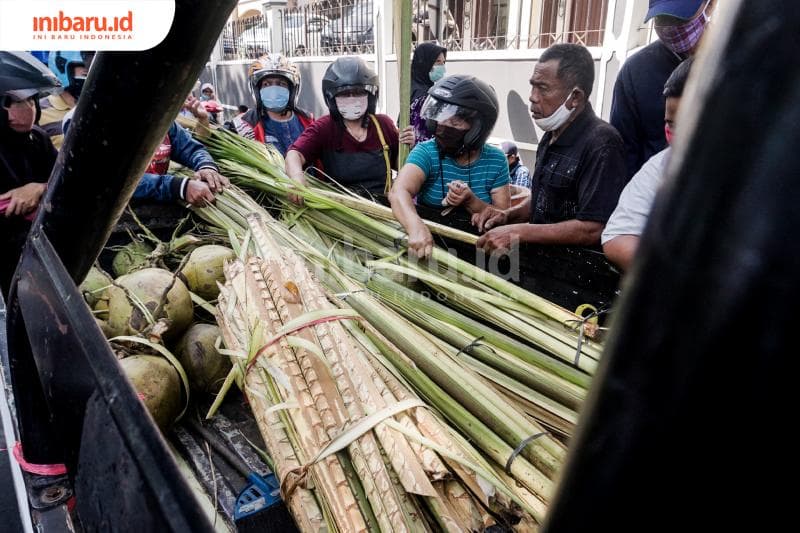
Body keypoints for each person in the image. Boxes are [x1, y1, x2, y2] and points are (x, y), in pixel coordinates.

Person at [474, 43, 626, 253]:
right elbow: (543, 201)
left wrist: (519, 232)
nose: (532, 96)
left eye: (543, 88)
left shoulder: (602, 144)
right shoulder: (550, 136)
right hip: (540, 266)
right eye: (533, 86)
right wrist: (508, 216)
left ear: (575, 97)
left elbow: (592, 228)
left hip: (575, 275)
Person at [390, 75, 510, 258]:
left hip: (479, 254)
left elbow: (502, 217)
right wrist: (415, 227)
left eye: (455, 122)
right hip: (431, 250)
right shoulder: (427, 152)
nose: (443, 127)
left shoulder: (496, 160)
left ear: (478, 128)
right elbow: (398, 191)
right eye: (441, 120)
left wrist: (471, 201)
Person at [602, 58, 693, 271]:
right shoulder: (661, 166)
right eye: (671, 123)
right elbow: (619, 236)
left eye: (692, 122)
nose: (679, 135)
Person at [611, 0, 713, 179]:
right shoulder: (635, 71)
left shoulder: (736, 61)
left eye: (679, 18)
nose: (669, 28)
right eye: (662, 18)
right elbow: (623, 154)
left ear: (710, 5)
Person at [286, 56, 413, 198]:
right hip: (341, 209)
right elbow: (294, 154)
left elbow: (400, 165)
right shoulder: (325, 127)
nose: (352, 98)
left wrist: (408, 146)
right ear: (332, 98)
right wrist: (296, 177)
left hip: (382, 208)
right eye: (345, 94)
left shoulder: (383, 125)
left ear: (370, 95)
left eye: (358, 93)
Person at [0, 52, 61, 296]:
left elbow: (65, 183)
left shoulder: (38, 140)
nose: (29, 109)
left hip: (33, 257)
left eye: (32, 100)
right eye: (18, 101)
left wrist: (39, 188)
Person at [233, 54, 314, 156]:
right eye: (266, 84)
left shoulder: (308, 120)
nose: (274, 90)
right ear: (258, 90)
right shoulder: (244, 125)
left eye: (281, 84)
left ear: (291, 90)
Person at [39, 51, 93, 149]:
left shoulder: (99, 106)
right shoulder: (38, 112)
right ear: (61, 67)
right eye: (84, 66)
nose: (90, 70)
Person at [409, 42, 447, 143]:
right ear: (425, 63)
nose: (442, 67)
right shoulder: (425, 97)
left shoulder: (412, 88)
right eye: (438, 62)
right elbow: (426, 136)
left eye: (443, 62)